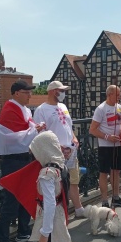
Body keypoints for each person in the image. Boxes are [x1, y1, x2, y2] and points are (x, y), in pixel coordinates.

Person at [0, 80, 46, 242]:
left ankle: (23, 232)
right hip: (13, 160)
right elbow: (13, 137)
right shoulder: (10, 109)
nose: (30, 95)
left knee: (25, 197)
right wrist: (35, 130)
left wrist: (35, 128)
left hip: (23, 159)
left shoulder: (21, 108)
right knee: (11, 201)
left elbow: (25, 130)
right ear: (16, 93)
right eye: (27, 92)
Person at [33, 81, 85, 218]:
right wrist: (58, 147)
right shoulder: (41, 110)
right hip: (55, 154)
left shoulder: (63, 106)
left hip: (71, 150)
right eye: (60, 90)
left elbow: (68, 126)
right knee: (58, 184)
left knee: (73, 180)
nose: (63, 93)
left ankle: (78, 209)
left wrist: (74, 138)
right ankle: (60, 214)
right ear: (51, 91)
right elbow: (41, 135)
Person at [29, 131, 73, 242]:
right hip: (60, 215)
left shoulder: (46, 173)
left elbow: (49, 203)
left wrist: (45, 233)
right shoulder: (61, 166)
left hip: (52, 221)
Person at [89, 85, 121, 208]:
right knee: (104, 172)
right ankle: (104, 201)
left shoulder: (120, 108)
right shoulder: (101, 109)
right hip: (105, 146)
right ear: (110, 94)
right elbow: (92, 130)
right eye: (117, 94)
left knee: (116, 171)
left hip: (118, 144)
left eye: (120, 94)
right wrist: (107, 137)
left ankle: (116, 197)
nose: (120, 97)